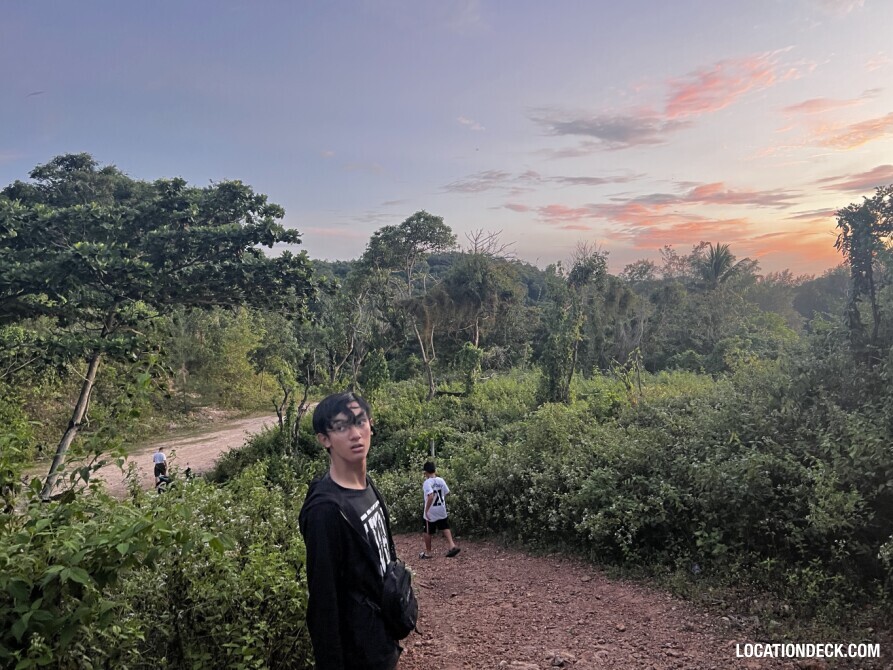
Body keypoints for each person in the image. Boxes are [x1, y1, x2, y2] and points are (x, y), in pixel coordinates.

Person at [298, 392, 402, 670]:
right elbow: (323, 604)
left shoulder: (368, 487)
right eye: (342, 427)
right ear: (325, 439)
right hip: (357, 656)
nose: (355, 434)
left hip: (382, 642)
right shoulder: (326, 510)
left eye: (360, 422)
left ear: (371, 424)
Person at [419, 461, 460, 559]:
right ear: (434, 470)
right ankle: (452, 545)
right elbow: (446, 492)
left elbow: (430, 496)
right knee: (445, 526)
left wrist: (426, 510)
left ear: (426, 472)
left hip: (431, 511)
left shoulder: (427, 483)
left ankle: (428, 553)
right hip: (441, 508)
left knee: (427, 531)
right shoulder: (441, 480)